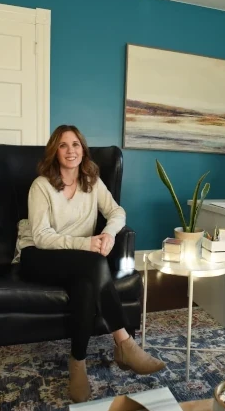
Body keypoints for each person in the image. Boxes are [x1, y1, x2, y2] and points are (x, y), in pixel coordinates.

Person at [15, 125, 165, 403]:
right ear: (54, 151)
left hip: (79, 261)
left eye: (76, 144)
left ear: (83, 149)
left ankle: (78, 364)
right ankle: (124, 343)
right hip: (37, 256)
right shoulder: (41, 185)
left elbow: (117, 211)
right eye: (63, 145)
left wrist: (108, 233)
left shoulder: (92, 182)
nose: (70, 150)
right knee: (95, 264)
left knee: (87, 282)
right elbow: (42, 237)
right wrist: (88, 244)